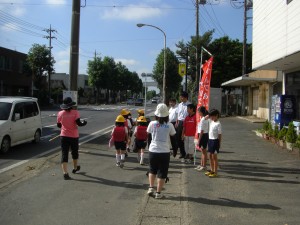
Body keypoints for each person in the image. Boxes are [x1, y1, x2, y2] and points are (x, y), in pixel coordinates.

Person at [147, 103, 177, 199]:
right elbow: (173, 139)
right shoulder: (170, 125)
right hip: (164, 152)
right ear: (167, 115)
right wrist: (175, 150)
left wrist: (149, 147)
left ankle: (151, 188)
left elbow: (148, 137)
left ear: (156, 114)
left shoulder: (152, 124)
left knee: (152, 170)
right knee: (162, 173)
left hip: (153, 151)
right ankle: (158, 193)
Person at [57, 97, 87, 180]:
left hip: (64, 136)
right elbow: (79, 124)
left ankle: (65, 173)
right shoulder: (75, 113)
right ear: (71, 105)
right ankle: (75, 168)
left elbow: (59, 125)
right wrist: (84, 123)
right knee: (74, 152)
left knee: (64, 153)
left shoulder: (60, 113)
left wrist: (64, 126)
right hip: (74, 136)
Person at [205, 109, 222, 178]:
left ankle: (215, 172)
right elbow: (206, 117)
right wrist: (209, 115)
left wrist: (219, 143)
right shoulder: (211, 121)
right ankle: (211, 170)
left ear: (216, 116)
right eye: (211, 116)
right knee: (210, 156)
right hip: (210, 140)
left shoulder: (218, 124)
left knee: (214, 157)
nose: (211, 117)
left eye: (213, 116)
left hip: (215, 141)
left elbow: (220, 135)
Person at [176, 92, 191, 159]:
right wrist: (177, 122)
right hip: (180, 122)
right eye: (180, 97)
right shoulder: (179, 105)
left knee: (186, 138)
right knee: (179, 138)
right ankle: (182, 153)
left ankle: (188, 153)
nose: (180, 98)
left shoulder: (189, 104)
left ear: (185, 97)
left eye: (181, 97)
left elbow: (191, 114)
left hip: (187, 122)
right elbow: (178, 114)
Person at [195, 106, 209, 171]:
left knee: (204, 151)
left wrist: (199, 140)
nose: (198, 112)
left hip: (203, 136)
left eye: (198, 111)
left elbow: (202, 131)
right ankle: (201, 164)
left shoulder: (204, 119)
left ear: (201, 112)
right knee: (202, 151)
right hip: (201, 135)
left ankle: (204, 166)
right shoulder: (203, 118)